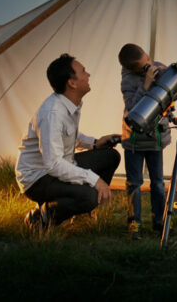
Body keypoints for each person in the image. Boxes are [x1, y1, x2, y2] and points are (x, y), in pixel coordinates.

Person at [17, 53, 121, 231]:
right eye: (83, 72)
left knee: (110, 156)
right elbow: (53, 165)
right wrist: (95, 180)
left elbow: (71, 135)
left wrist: (95, 143)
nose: (88, 75)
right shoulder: (52, 113)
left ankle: (78, 210)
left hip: (61, 165)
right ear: (71, 83)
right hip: (39, 178)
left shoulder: (70, 103)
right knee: (90, 195)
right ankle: (41, 216)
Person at [117, 43, 172, 240]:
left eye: (148, 59)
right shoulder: (128, 81)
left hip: (155, 137)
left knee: (158, 183)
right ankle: (134, 222)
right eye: (144, 65)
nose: (149, 65)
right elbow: (132, 107)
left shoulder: (158, 66)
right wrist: (146, 85)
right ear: (133, 69)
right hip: (134, 140)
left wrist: (169, 77)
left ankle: (160, 220)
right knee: (134, 183)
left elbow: (174, 94)